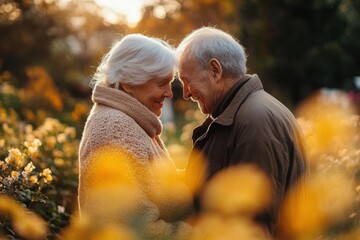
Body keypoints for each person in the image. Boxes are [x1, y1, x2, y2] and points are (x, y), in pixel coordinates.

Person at [176, 27, 307, 236]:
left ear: (215, 70)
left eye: (186, 80)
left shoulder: (255, 121)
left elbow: (252, 224)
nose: (185, 93)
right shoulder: (242, 114)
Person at [78, 34, 195, 240]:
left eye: (170, 83)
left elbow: (151, 184)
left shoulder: (130, 120)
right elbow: (133, 227)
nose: (169, 94)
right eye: (161, 84)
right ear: (128, 82)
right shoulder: (115, 129)